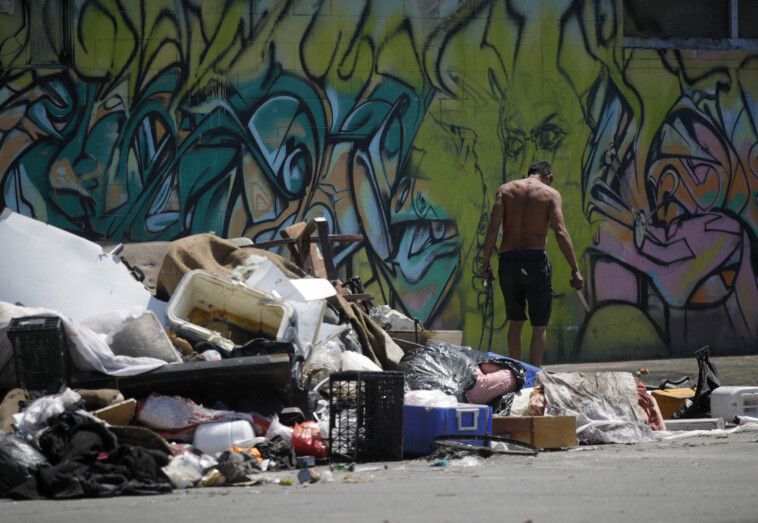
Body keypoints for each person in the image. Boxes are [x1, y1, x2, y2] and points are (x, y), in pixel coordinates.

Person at [481, 160, 583, 367]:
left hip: (509, 261)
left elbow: (493, 228)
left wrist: (485, 265)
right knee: (539, 325)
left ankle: (515, 375)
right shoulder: (550, 194)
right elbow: (561, 232)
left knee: (515, 322)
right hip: (535, 261)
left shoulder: (505, 190)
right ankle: (534, 375)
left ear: (527, 174)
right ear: (548, 178)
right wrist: (575, 269)